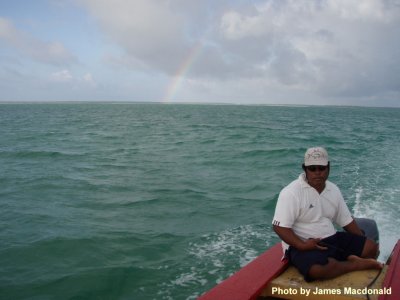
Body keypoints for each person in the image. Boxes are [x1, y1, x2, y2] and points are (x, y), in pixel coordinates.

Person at [272, 147, 382, 281]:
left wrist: (361, 241)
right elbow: (280, 227)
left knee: (372, 248)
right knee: (318, 270)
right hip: (303, 244)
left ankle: (346, 260)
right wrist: (303, 245)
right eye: (312, 168)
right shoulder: (291, 193)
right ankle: (354, 264)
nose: (317, 173)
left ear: (328, 168)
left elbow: (346, 220)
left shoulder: (333, 189)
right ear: (305, 169)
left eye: (321, 168)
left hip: (331, 238)